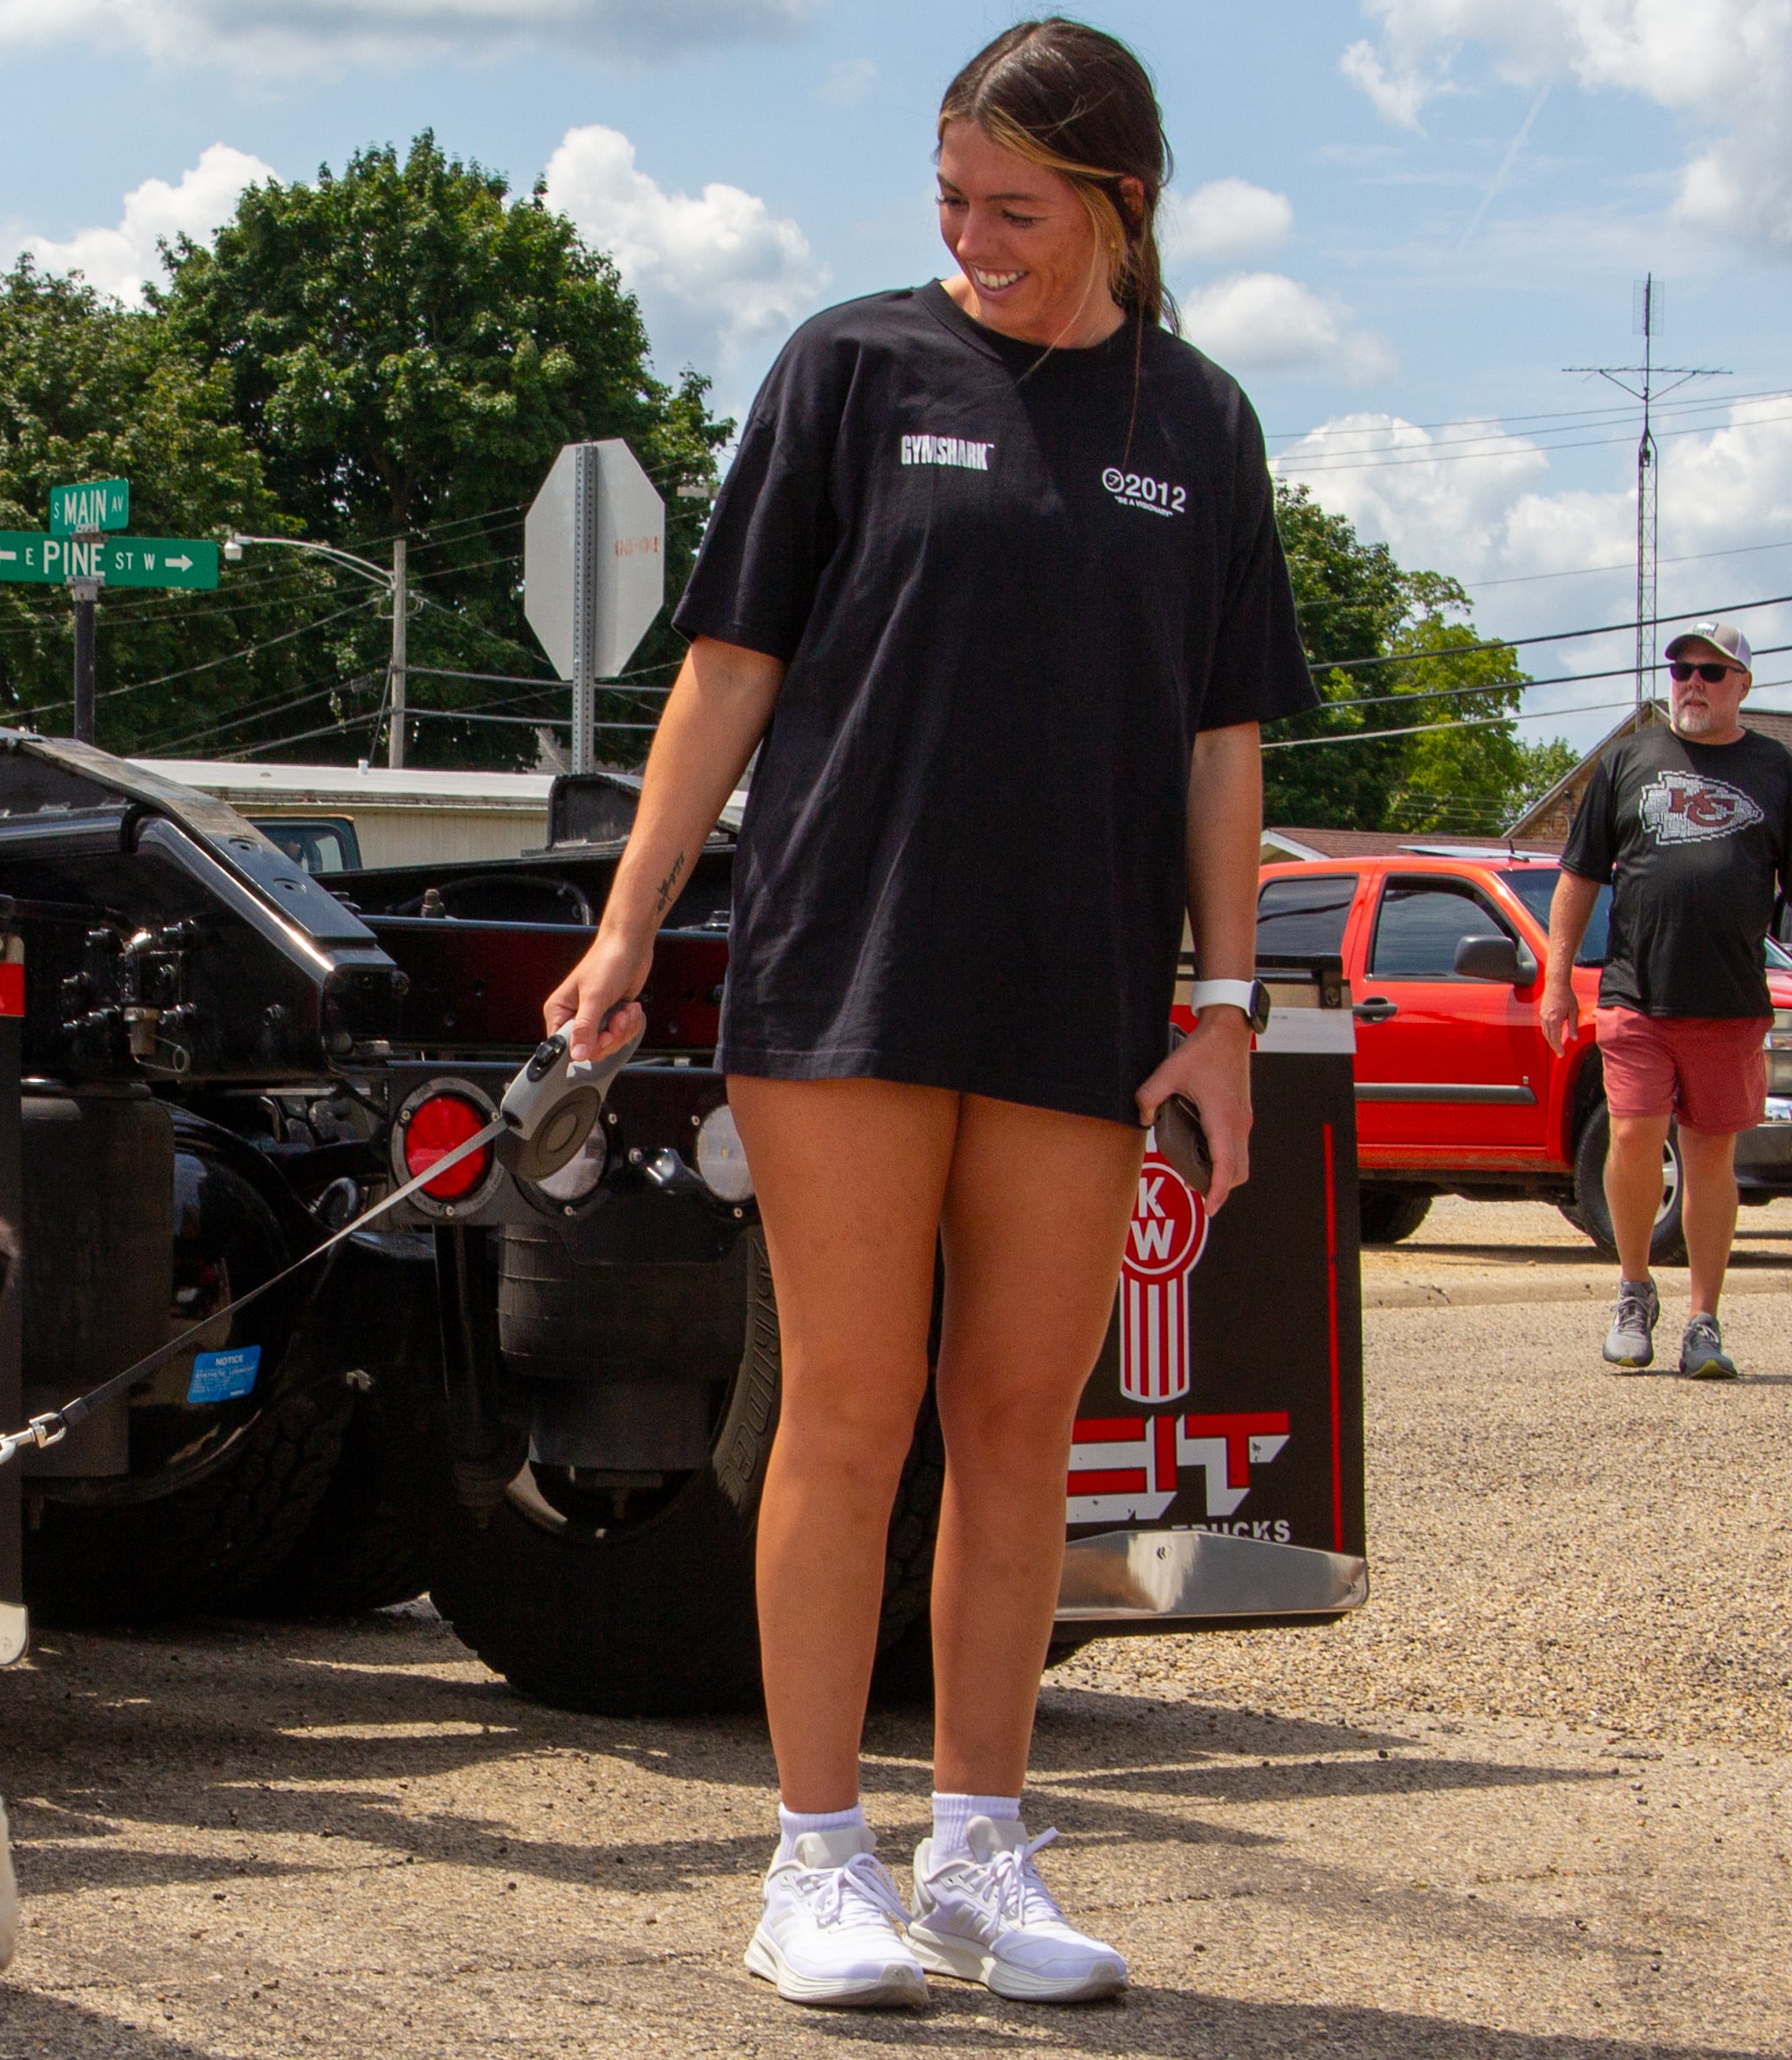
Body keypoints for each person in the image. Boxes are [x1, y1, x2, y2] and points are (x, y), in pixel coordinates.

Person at [541, 15, 1314, 2013]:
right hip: (847, 964)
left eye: (1017, 209)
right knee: (854, 1404)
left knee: (1019, 1426)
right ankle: (816, 1857)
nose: (974, 237)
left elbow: (1224, 743)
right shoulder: (853, 368)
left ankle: (980, 1843)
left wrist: (1224, 1002)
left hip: (1079, 987)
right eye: (952, 203)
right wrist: (632, 928)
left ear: (1121, 203)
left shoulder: (1201, 424)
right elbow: (725, 673)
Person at [1541, 619, 1792, 1379]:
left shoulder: (1776, 769)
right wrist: (1555, 976)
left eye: (1710, 672)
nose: (1692, 685)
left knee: (1711, 1153)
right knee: (1636, 1133)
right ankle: (1633, 1291)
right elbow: (1579, 876)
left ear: (1741, 684)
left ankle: (1703, 1320)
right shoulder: (1627, 762)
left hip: (1731, 1000)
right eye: (1681, 672)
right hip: (1636, 992)